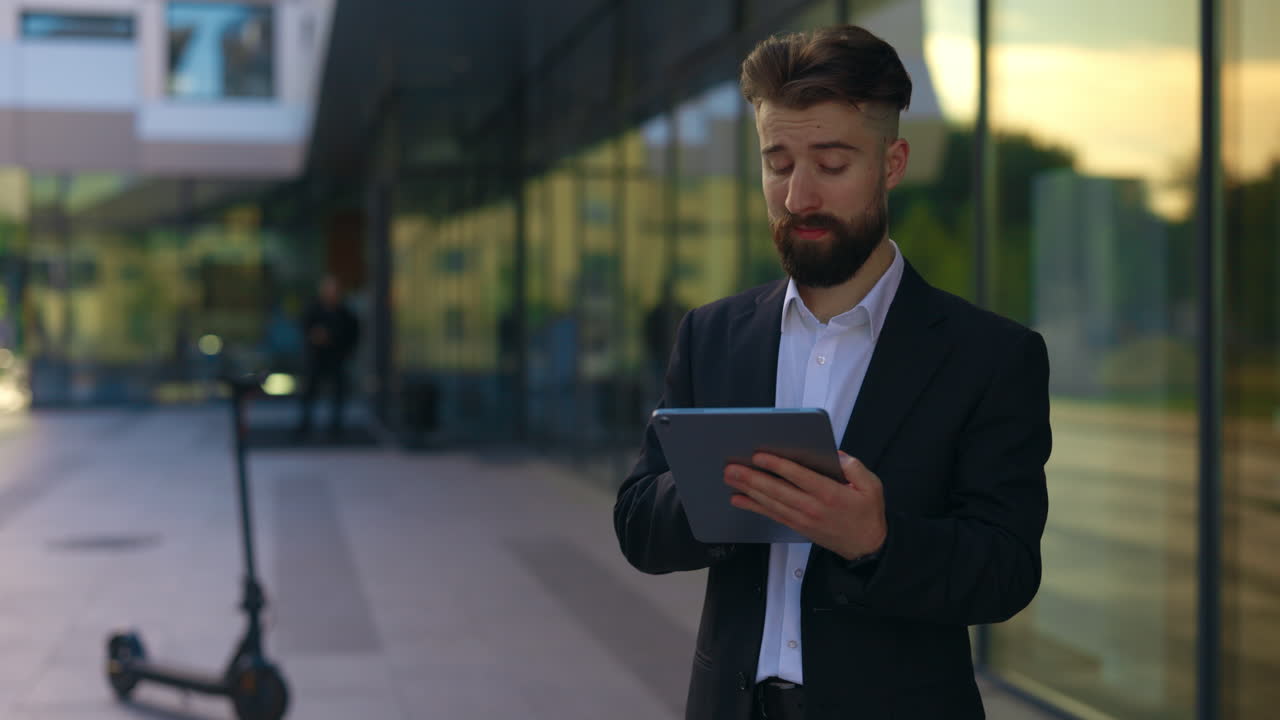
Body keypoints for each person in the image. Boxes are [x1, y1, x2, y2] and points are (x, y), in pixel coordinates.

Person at [613, 25, 1051, 720]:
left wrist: (878, 541)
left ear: (892, 162)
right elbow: (637, 525)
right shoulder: (712, 334)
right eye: (778, 163)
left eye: (832, 163)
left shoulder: (990, 357)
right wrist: (721, 493)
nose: (798, 197)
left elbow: (1006, 571)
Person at [296, 276, 359, 440]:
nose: (331, 294)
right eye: (328, 290)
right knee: (310, 391)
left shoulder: (345, 313)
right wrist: (315, 337)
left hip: (336, 359)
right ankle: (305, 424)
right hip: (316, 358)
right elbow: (304, 327)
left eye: (334, 291)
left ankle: (336, 427)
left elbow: (352, 333)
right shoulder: (313, 310)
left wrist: (337, 342)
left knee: (338, 392)